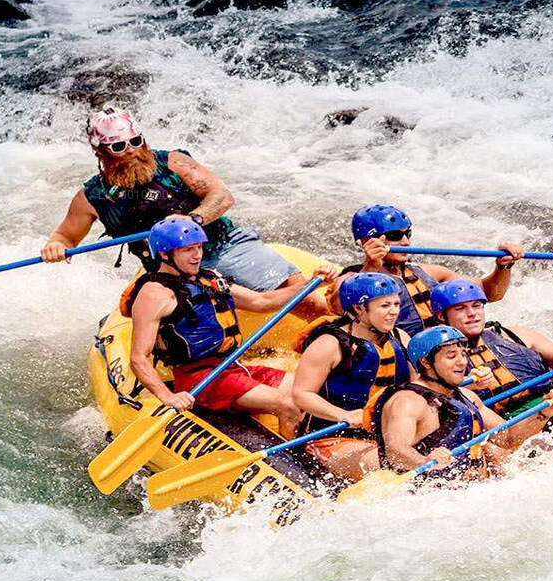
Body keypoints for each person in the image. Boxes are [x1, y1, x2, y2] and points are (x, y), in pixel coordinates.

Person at [41, 105, 326, 315]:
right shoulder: (92, 197)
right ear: (100, 152)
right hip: (167, 271)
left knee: (304, 297)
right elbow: (65, 237)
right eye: (118, 146)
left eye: (136, 141)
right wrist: (55, 246)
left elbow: (222, 196)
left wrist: (192, 220)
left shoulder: (174, 163)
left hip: (221, 246)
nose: (131, 151)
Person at [121, 219, 333, 437]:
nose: (197, 255)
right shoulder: (155, 294)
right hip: (201, 378)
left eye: (199, 248)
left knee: (304, 391)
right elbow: (138, 358)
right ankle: (293, 464)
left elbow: (261, 301)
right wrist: (168, 396)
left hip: (232, 367)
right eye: (187, 250)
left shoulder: (209, 279)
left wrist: (312, 283)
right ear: (165, 255)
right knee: (288, 404)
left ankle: (315, 444)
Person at [372, 325, 553, 480]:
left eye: (463, 354)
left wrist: (543, 414)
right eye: (451, 356)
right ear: (425, 362)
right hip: (430, 501)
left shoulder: (466, 395)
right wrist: (425, 460)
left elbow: (506, 439)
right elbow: (395, 451)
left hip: (470, 494)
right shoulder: (408, 401)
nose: (462, 362)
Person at [290, 272, 412, 481]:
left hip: (386, 435)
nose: (394, 312)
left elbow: (418, 384)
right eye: (385, 306)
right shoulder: (329, 344)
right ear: (359, 308)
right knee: (388, 464)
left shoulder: (401, 337)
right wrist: (342, 415)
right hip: (332, 438)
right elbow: (301, 394)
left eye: (396, 304)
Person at [340, 204, 525, 335]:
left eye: (408, 233)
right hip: (411, 359)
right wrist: (371, 266)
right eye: (395, 235)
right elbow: (336, 307)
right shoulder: (351, 278)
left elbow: (490, 293)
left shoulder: (428, 272)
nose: (406, 242)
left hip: (448, 349)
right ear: (366, 242)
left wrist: (503, 266)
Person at [429, 279, 553, 416]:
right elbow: (432, 399)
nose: (472, 313)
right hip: (504, 425)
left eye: (476, 305)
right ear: (441, 315)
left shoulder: (515, 335)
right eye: (460, 308)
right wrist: (467, 385)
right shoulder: (437, 357)